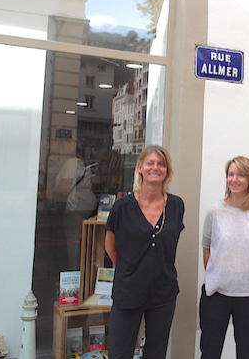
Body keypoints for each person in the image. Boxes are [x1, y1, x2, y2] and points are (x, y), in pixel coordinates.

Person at [105, 145, 185, 359]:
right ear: (140, 167)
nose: (155, 168)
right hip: (128, 292)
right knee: (120, 354)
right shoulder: (122, 207)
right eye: (150, 163)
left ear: (166, 171)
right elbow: (110, 247)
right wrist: (130, 269)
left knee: (155, 354)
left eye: (161, 164)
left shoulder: (177, 206)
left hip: (163, 293)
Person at [200, 156, 249, 359]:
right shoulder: (214, 211)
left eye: (240, 175)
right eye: (231, 174)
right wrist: (217, 274)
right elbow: (207, 249)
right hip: (216, 294)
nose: (234, 179)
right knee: (210, 352)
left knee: (247, 352)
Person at [48, 148, 97, 268]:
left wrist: (49, 192)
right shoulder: (84, 164)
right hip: (88, 205)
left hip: (76, 205)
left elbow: (66, 185)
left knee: (72, 242)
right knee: (86, 241)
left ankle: (73, 273)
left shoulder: (72, 162)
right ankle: (86, 270)